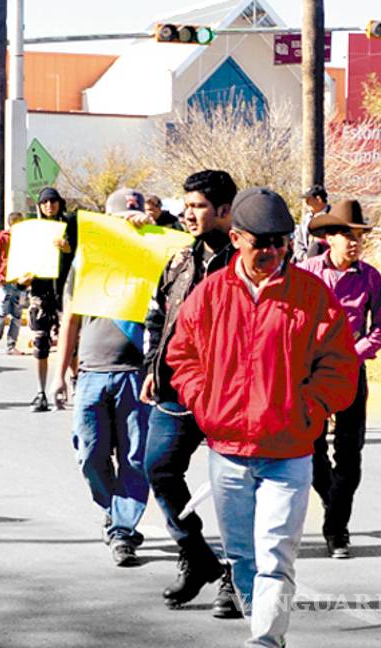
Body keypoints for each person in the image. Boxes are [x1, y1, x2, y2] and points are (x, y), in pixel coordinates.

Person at [165, 187, 359, 648]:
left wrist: (309, 411)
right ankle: (261, 624)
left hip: (288, 452)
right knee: (243, 558)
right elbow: (182, 354)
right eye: (262, 241)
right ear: (236, 238)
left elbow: (340, 365)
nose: (272, 251)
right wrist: (205, 402)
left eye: (281, 241)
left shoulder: (311, 294)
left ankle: (266, 640)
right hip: (228, 453)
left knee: (274, 554)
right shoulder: (210, 294)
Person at [139, 170, 242, 617]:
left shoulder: (245, 262)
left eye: (198, 205)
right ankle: (197, 556)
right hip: (177, 389)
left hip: (231, 392)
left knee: (236, 488)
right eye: (187, 204)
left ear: (224, 211)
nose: (188, 212)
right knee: (158, 468)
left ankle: (239, 579)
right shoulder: (180, 260)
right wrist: (151, 368)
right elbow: (157, 318)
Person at [52, 188, 152, 567]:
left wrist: (153, 229)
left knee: (134, 457)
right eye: (120, 218)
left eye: (135, 216)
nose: (128, 223)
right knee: (90, 454)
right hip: (92, 372)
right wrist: (60, 374)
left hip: (136, 374)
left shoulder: (154, 260)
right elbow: (71, 319)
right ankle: (115, 509)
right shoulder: (87, 261)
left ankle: (122, 531)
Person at [298, 199, 381, 560]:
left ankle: (337, 529)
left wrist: (356, 353)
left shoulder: (370, 277)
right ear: (327, 238)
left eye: (358, 236)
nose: (353, 242)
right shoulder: (305, 273)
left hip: (351, 370)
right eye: (344, 235)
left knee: (350, 454)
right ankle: (332, 503)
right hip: (311, 373)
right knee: (312, 450)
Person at [25, 186, 75, 412]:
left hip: (66, 292)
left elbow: (84, 255)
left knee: (72, 342)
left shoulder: (71, 226)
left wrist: (68, 249)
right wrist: (22, 280)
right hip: (40, 294)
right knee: (40, 342)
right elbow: (20, 263)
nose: (49, 206)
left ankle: (75, 385)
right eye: (45, 202)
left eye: (53, 201)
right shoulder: (32, 230)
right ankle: (40, 392)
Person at [0, 212, 26, 354]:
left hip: (21, 284)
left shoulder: (26, 240)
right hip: (5, 282)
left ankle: (11, 345)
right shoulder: (2, 239)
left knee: (17, 315)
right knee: (2, 313)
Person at [296, 185, 330, 260]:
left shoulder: (332, 216)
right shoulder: (306, 218)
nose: (306, 203)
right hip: (305, 263)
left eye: (308, 200)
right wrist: (303, 257)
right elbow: (299, 241)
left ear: (318, 199)